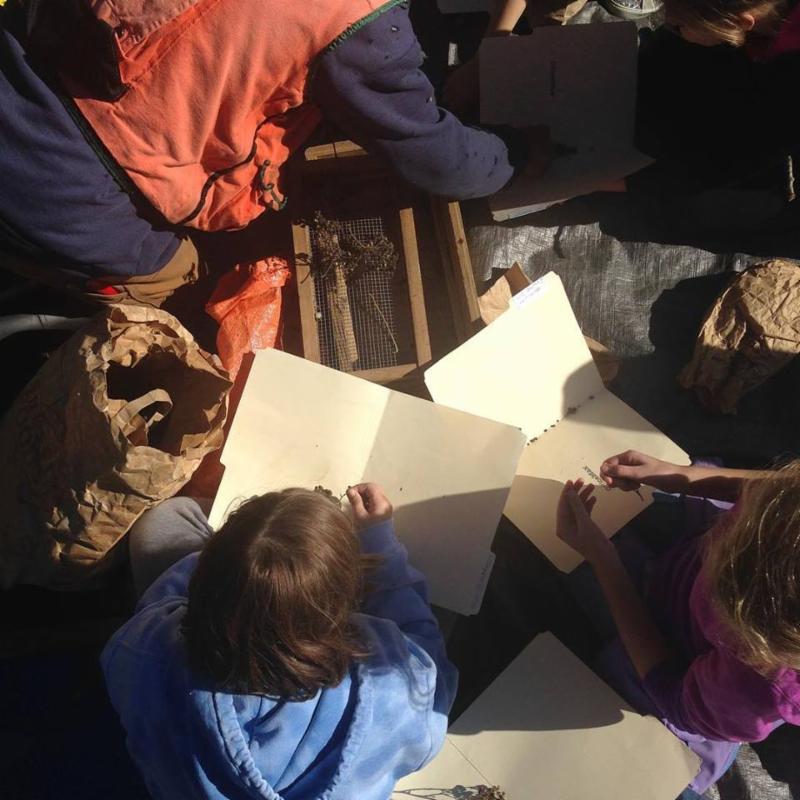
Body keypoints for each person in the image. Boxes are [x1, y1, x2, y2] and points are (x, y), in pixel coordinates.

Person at [0, 0, 549, 304]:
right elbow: (441, 161)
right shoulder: (356, 21)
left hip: (20, 56)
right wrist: (516, 155)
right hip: (63, 185)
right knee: (187, 282)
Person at [101, 483, 457, 800]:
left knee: (169, 519)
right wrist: (381, 546)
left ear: (207, 577)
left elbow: (159, 604)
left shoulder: (143, 650)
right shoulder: (394, 691)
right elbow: (435, 673)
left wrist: (247, 567)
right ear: (349, 601)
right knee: (449, 608)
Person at [555, 452, 800, 796]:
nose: (715, 543)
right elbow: (779, 488)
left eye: (720, 555)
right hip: (679, 580)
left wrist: (603, 559)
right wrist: (677, 474)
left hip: (679, 668)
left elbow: (670, 691)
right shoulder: (784, 508)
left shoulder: (760, 683)